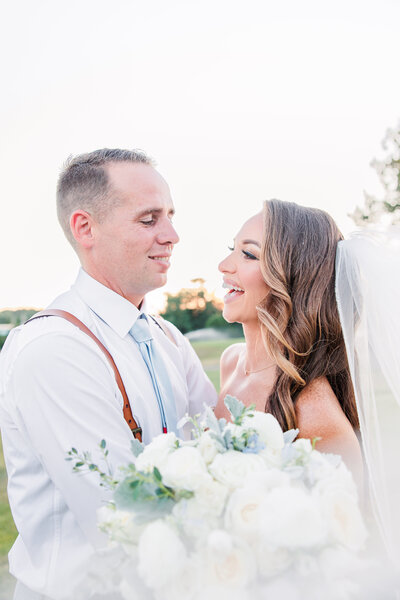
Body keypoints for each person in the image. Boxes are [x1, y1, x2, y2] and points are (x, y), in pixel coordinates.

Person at [0, 148, 217, 600]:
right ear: (85, 228)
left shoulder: (168, 337)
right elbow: (119, 517)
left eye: (170, 216)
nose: (172, 235)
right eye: (148, 219)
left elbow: (218, 447)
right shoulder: (54, 349)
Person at [215, 199, 363, 483]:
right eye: (230, 250)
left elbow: (350, 522)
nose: (223, 266)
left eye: (248, 254)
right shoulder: (231, 362)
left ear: (293, 277)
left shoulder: (315, 413)